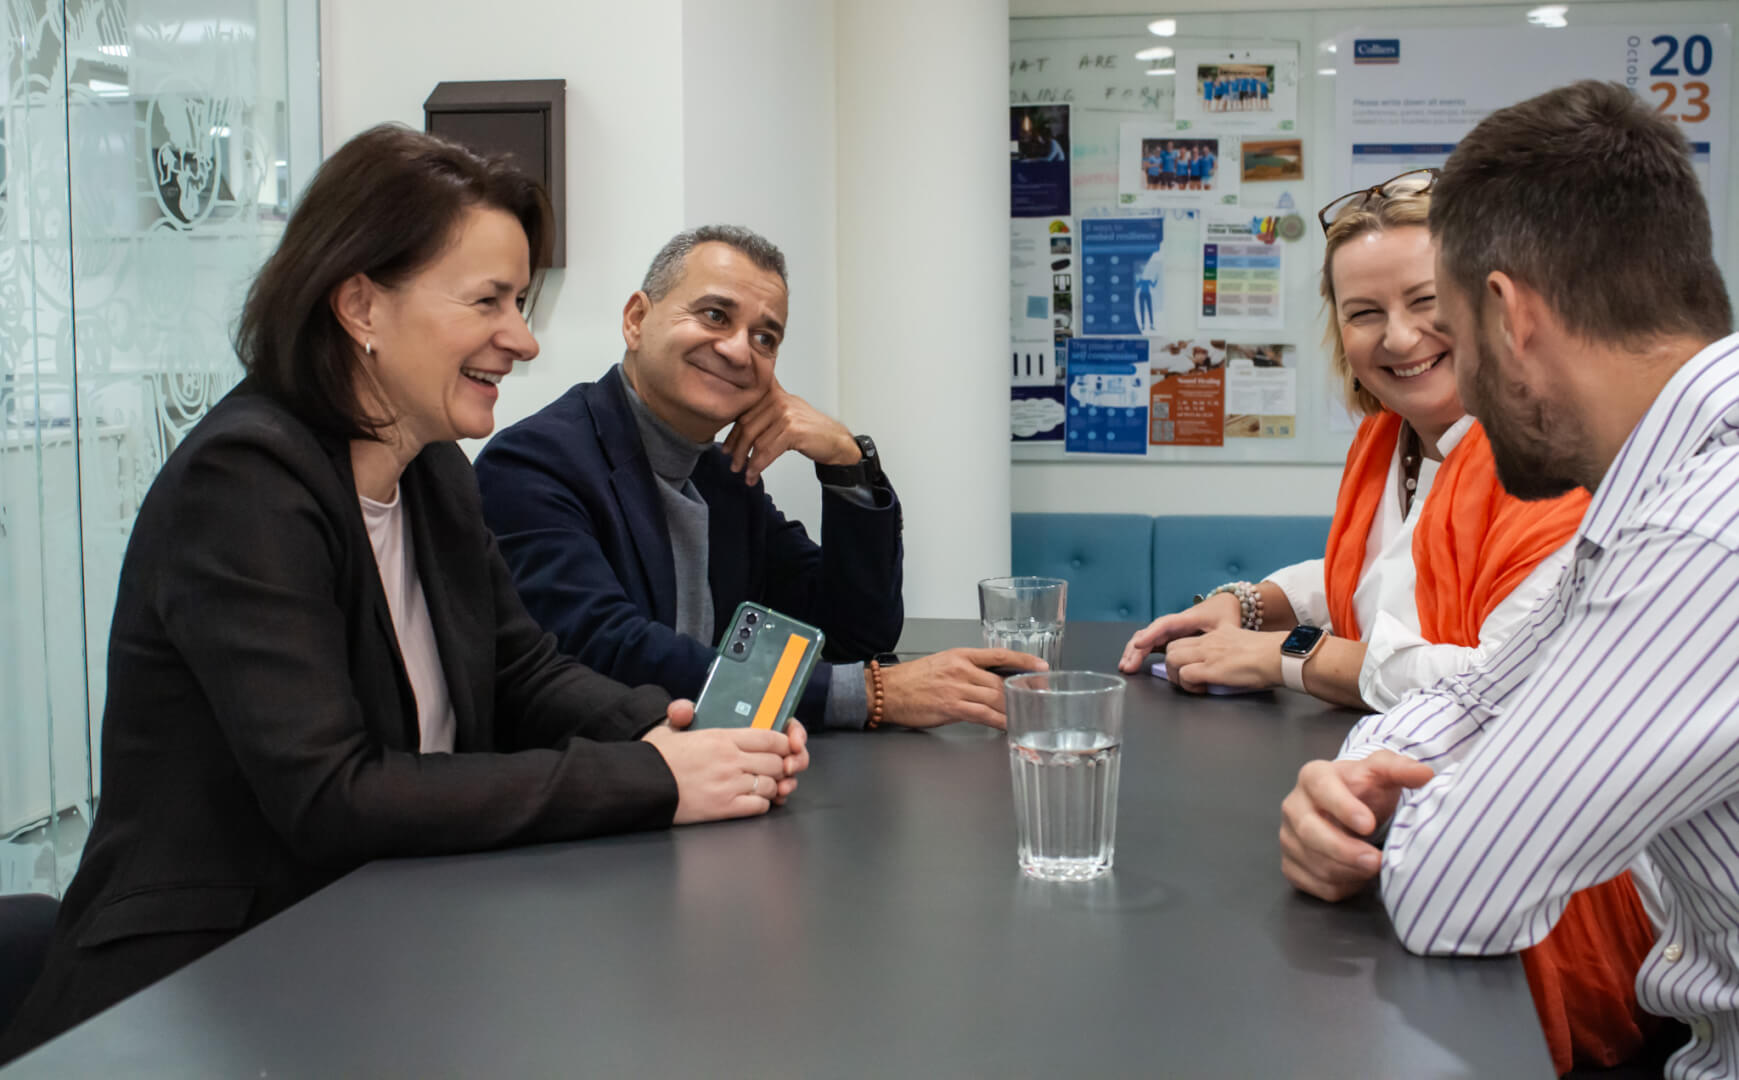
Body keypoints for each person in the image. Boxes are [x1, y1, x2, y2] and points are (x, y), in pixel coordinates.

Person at [0, 127, 809, 1063]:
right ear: (360, 305)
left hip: (373, 945)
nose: (525, 336)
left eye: (522, 300)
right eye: (489, 301)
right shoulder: (245, 478)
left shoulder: (431, 471)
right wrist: (653, 777)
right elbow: (333, 793)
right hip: (199, 995)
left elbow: (524, 671)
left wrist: (674, 732)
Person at [1279, 80, 1738, 1078]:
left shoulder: (1711, 530)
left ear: (1506, 315)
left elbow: (1454, 892)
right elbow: (1481, 690)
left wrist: (1379, 814)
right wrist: (1351, 788)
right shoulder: (1661, 484)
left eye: (1439, 315)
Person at [473, 225, 1043, 734]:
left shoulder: (722, 474)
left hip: (724, 784)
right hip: (594, 806)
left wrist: (846, 463)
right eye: (715, 315)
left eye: (765, 338)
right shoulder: (534, 463)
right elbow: (610, 650)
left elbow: (854, 633)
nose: (738, 350)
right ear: (637, 319)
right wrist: (868, 695)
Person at [1119, 171, 1586, 714]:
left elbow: (1502, 679)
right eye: (1364, 312)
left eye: (1427, 301)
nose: (1399, 337)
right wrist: (1250, 606)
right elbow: (1385, 570)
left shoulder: (1556, 466)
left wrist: (1288, 657)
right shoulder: (1389, 438)